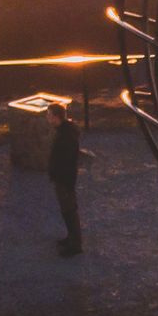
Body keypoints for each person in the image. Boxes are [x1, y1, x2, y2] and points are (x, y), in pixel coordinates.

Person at [47, 100, 87, 257]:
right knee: (67, 210)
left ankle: (75, 244)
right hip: (64, 178)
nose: (47, 118)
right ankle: (71, 237)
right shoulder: (65, 131)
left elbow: (65, 159)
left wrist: (57, 174)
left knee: (69, 210)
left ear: (56, 117)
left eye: (49, 115)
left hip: (64, 179)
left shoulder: (65, 135)